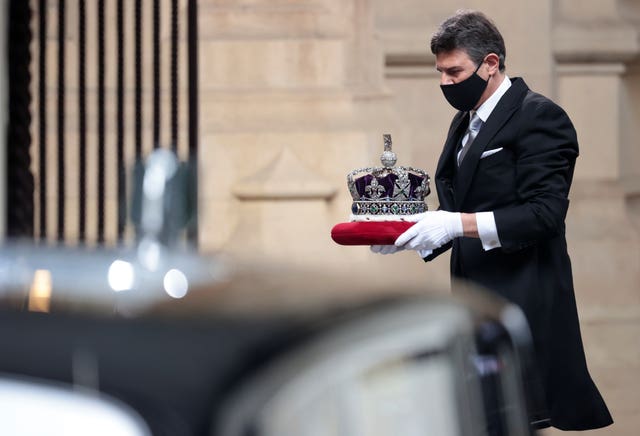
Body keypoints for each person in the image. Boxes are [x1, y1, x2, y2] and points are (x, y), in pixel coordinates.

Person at [371, 9, 613, 432]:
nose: (445, 83)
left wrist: (453, 224)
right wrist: (415, 235)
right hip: (473, 303)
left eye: (454, 72)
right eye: (440, 73)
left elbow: (543, 215)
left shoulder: (541, 116)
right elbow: (464, 205)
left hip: (525, 301)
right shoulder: (464, 121)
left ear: (491, 63)